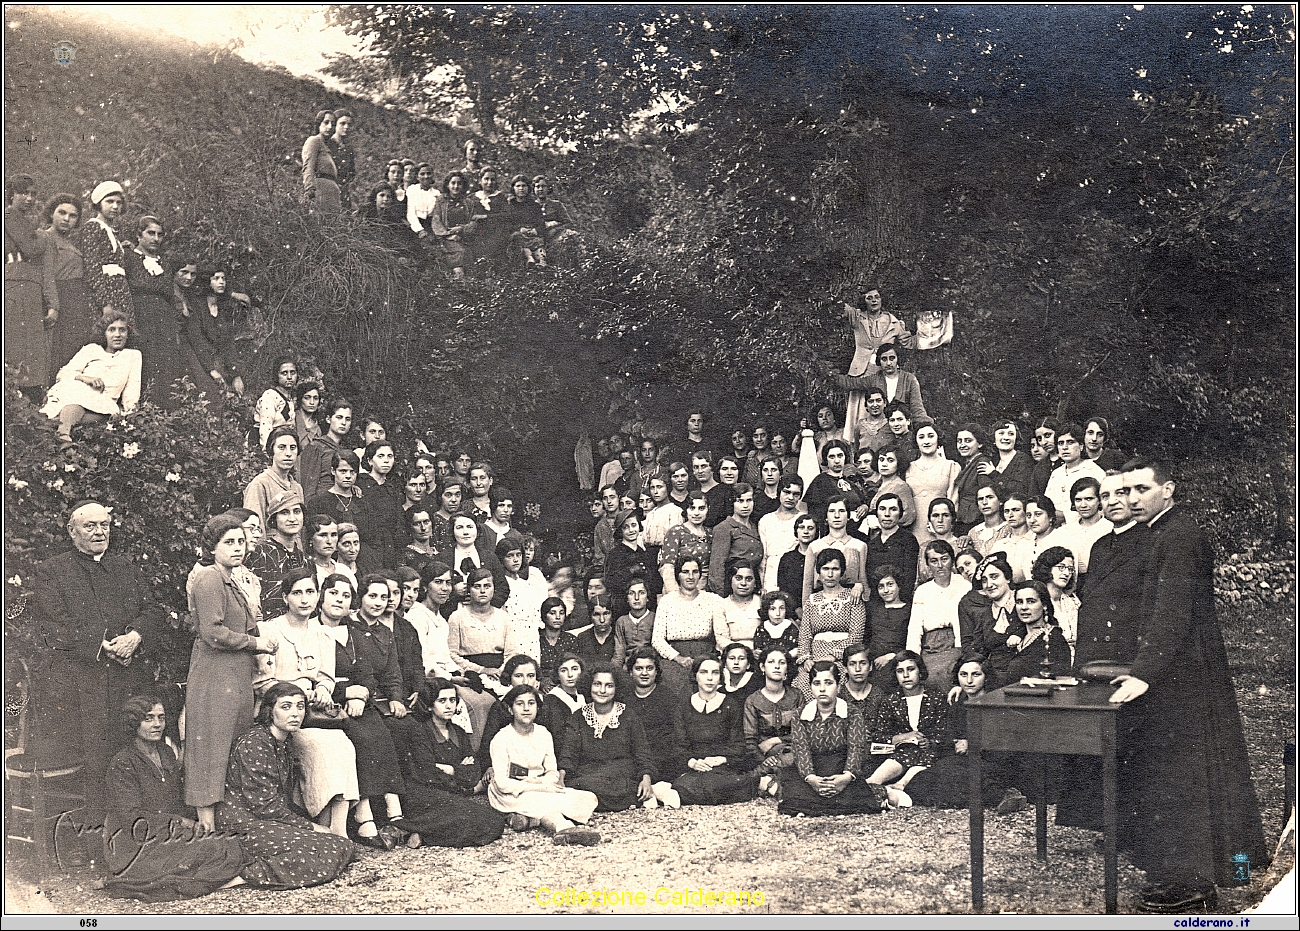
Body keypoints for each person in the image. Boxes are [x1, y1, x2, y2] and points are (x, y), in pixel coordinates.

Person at [1107, 459, 1268, 910]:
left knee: (1187, 777)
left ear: (1169, 489)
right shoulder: (1162, 532)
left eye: (1141, 489)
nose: (1131, 499)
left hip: (1186, 675)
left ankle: (1194, 884)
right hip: (1175, 671)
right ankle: (1181, 876)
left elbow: (1173, 613)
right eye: (1125, 492)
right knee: (1172, 778)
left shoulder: (1180, 535)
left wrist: (1144, 673)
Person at [31, 501, 163, 828]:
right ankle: (90, 837)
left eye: (104, 524)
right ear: (72, 531)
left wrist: (135, 636)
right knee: (93, 758)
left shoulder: (125, 569)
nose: (99, 531)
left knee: (134, 749)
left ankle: (138, 831)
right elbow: (52, 626)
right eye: (90, 526)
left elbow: (153, 612)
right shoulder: (52, 571)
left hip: (127, 679)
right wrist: (100, 645)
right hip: (79, 685)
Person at [102, 696, 246, 901]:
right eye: (148, 718)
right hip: (136, 842)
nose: (157, 724)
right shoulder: (123, 763)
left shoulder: (166, 752)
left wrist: (193, 821)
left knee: (227, 842)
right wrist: (180, 822)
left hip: (166, 832)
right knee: (214, 849)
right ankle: (196, 880)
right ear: (134, 722)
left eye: (161, 718)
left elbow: (176, 798)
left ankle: (199, 878)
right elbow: (130, 818)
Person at [185, 513, 277, 831]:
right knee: (212, 745)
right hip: (215, 675)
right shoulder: (210, 579)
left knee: (233, 743)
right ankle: (208, 827)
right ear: (212, 547)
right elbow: (213, 633)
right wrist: (257, 642)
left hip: (235, 675)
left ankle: (231, 823)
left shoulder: (231, 580)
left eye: (241, 541)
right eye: (229, 543)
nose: (237, 548)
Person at [216, 682, 355, 886]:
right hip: (241, 824)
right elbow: (264, 806)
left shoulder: (283, 741)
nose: (295, 714)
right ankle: (242, 877)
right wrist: (312, 827)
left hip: (264, 821)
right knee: (332, 847)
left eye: (300, 706)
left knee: (340, 846)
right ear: (270, 711)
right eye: (286, 706)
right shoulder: (255, 742)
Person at [256, 568, 359, 836]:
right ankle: (323, 826)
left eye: (310, 592)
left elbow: (327, 677)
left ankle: (338, 828)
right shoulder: (269, 631)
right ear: (285, 597)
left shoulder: (322, 634)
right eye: (297, 593)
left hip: (313, 713)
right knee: (320, 748)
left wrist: (323, 690)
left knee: (343, 745)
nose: (304, 599)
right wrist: (295, 693)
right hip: (282, 715)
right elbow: (262, 682)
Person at [393, 678, 508, 848]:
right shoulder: (420, 732)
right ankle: (414, 830)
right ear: (430, 705)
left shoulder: (459, 733)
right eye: (442, 701)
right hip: (424, 793)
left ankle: (424, 836)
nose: (449, 706)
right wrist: (460, 771)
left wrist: (452, 770)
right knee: (471, 819)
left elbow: (473, 771)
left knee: (494, 823)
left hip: (450, 792)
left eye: (452, 700)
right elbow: (426, 773)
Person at [779, 660, 897, 816]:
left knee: (858, 799)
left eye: (828, 683)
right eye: (816, 683)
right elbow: (801, 750)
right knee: (793, 799)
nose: (822, 689)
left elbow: (856, 748)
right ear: (810, 687)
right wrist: (812, 779)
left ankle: (881, 792)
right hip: (813, 769)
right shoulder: (800, 714)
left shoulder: (852, 713)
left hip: (841, 768)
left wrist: (846, 778)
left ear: (838, 686)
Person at [488, 684, 601, 844]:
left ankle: (529, 819)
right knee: (541, 801)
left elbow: (552, 772)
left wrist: (544, 783)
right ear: (510, 709)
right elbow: (502, 783)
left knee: (588, 798)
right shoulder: (501, 739)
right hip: (511, 792)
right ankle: (563, 828)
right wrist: (537, 787)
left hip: (541, 786)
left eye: (531, 703)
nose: (526, 708)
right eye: (520, 704)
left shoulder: (543, 734)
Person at [557, 662, 655, 812]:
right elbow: (568, 753)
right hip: (588, 775)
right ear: (589, 686)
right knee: (578, 787)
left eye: (609, 685)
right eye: (597, 684)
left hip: (620, 776)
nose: (602, 690)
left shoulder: (629, 716)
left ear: (617, 689)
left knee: (622, 788)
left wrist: (646, 779)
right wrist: (561, 778)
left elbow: (642, 752)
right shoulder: (577, 717)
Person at [665, 656, 758, 807]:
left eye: (715, 673)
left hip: (722, 768)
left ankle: (683, 795)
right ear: (695, 675)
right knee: (686, 783)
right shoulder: (683, 706)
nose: (709, 678)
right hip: (694, 768)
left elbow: (738, 745)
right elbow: (678, 744)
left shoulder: (731, 705)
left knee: (714, 783)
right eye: (703, 672)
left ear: (721, 676)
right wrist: (692, 762)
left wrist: (721, 759)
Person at [41, 309, 142, 442]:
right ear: (103, 333)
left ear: (128, 333)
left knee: (64, 413)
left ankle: (60, 430)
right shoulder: (91, 349)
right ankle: (63, 435)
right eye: (111, 330)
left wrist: (130, 415)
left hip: (102, 404)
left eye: (122, 330)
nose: (117, 335)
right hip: (75, 394)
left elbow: (132, 390)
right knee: (74, 403)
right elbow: (63, 374)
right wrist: (85, 378)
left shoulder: (132, 355)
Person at [840, 286, 914, 446]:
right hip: (860, 372)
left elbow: (908, 342)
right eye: (869, 298)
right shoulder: (857, 316)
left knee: (882, 410)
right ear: (864, 301)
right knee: (857, 414)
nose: (873, 300)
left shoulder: (894, 322)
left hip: (881, 375)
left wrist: (933, 338)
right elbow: (836, 305)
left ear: (882, 299)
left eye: (877, 297)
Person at [865, 650, 947, 793]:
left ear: (920, 671)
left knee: (928, 755)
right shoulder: (891, 701)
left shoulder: (936, 697)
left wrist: (929, 742)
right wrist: (901, 737)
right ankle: (872, 783)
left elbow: (943, 731)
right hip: (901, 753)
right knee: (902, 756)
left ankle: (901, 784)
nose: (906, 675)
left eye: (911, 669)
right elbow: (879, 735)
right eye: (900, 671)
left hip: (931, 753)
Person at [122, 215, 184, 406]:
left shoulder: (164, 263)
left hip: (164, 320)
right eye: (150, 233)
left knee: (166, 366)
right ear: (139, 235)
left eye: (159, 234)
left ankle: (164, 415)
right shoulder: (129, 257)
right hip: (141, 317)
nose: (156, 238)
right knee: (144, 363)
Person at [5, 175, 57, 390]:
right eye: (23, 193)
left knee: (30, 348)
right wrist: (42, 236)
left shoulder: (25, 222)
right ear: (11, 194)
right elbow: (31, 248)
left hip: (30, 286)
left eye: (33, 194)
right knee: (17, 345)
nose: (29, 198)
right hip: (15, 285)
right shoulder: (9, 216)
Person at [651, 557, 728, 696]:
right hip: (674, 657)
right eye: (685, 572)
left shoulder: (713, 600)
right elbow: (657, 639)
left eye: (695, 572)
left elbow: (721, 635)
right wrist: (678, 658)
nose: (691, 576)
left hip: (705, 654)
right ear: (678, 575)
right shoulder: (667, 601)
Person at [796, 549, 867, 696]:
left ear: (842, 572)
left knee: (836, 684)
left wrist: (832, 656)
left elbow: (856, 635)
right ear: (818, 572)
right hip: (815, 655)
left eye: (835, 569)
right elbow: (805, 634)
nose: (830, 574)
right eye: (825, 569)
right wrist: (807, 659)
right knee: (803, 684)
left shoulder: (852, 597)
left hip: (842, 657)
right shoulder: (811, 600)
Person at [37, 193, 93, 374]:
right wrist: (54, 306)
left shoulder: (72, 242)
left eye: (72, 215)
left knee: (75, 349)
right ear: (51, 213)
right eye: (62, 213)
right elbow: (47, 274)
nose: (66, 219)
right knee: (57, 350)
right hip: (60, 296)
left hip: (77, 299)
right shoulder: (45, 237)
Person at [907, 540, 972, 689]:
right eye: (934, 561)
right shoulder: (922, 591)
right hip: (930, 647)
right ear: (928, 565)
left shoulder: (964, 586)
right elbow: (915, 628)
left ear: (952, 561)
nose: (940, 565)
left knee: (949, 676)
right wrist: (912, 659)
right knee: (925, 678)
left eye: (944, 559)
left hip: (957, 644)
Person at [79, 181, 133, 356]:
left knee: (123, 339)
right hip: (107, 292)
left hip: (120, 290)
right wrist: (105, 303)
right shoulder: (93, 227)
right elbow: (93, 268)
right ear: (98, 204)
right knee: (106, 339)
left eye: (118, 202)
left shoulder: (111, 231)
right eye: (110, 202)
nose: (115, 206)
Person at [742, 647, 801, 795]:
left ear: (787, 667)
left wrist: (776, 739)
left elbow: (803, 731)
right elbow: (750, 740)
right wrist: (763, 761)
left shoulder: (796, 696)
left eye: (782, 662)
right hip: (766, 755)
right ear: (762, 667)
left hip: (795, 749)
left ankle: (765, 780)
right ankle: (771, 777)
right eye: (771, 662)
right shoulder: (753, 700)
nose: (777, 666)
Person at [834, 339, 928, 427]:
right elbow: (851, 383)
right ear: (879, 361)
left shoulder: (909, 379)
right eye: (884, 359)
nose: (888, 363)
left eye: (892, 358)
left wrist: (925, 426)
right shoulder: (874, 379)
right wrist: (829, 374)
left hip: (902, 427)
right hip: (881, 428)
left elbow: (917, 408)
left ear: (897, 359)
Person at [186, 265, 248, 395]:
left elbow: (228, 343)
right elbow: (197, 341)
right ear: (207, 281)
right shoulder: (196, 306)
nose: (221, 282)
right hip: (201, 361)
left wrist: (236, 374)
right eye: (216, 278)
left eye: (223, 279)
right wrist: (212, 370)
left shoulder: (224, 308)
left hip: (221, 361)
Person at [801, 496, 868, 608]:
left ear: (848, 516)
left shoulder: (859, 546)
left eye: (841, 511)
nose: (837, 516)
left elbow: (863, 581)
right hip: (821, 604)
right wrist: (806, 611)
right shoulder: (815, 546)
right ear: (826, 517)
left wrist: (860, 586)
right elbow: (808, 584)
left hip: (851, 603)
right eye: (832, 511)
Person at [1004, 580, 1072, 681]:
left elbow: (1060, 680)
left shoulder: (1053, 640)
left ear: (1044, 605)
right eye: (1019, 602)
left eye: (1031, 601)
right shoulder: (1018, 636)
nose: (1024, 607)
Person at [906, 422, 960, 544]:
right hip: (914, 528)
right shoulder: (908, 468)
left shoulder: (950, 466)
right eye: (921, 437)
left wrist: (943, 527)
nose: (926, 441)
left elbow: (954, 501)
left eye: (930, 436)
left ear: (938, 438)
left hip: (940, 528)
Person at [1050, 476, 1113, 579]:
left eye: (1089, 499)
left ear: (1099, 500)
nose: (1083, 505)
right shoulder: (1064, 532)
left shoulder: (1109, 528)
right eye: (1078, 500)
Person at [355, 441, 404, 572]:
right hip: (366, 544)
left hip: (388, 545)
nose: (386, 461)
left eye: (390, 456)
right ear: (370, 461)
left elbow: (398, 520)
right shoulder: (360, 483)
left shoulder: (392, 488)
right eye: (381, 456)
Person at [244, 424, 305, 528]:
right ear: (271, 451)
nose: (288, 453)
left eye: (293, 448)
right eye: (282, 447)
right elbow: (254, 529)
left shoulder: (297, 487)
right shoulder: (260, 484)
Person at [1044, 423, 1106, 523]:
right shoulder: (1056, 473)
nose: (1064, 447)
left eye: (1070, 442)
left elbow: (1102, 508)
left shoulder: (1094, 471)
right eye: (1061, 443)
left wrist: (1065, 516)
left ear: (1081, 446)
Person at [707, 485, 762, 597]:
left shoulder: (755, 526)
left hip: (751, 585)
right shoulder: (725, 528)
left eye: (749, 500)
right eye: (740, 501)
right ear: (732, 503)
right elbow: (717, 566)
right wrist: (720, 596)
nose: (745, 505)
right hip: (730, 588)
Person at [605, 510, 660, 616]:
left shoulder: (643, 553)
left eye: (633, 525)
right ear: (620, 531)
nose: (631, 530)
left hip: (645, 608)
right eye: (625, 527)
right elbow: (610, 581)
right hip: (623, 609)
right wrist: (630, 571)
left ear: (639, 526)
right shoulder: (615, 554)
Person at [758, 473, 806, 593]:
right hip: (771, 575)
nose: (790, 497)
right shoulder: (766, 520)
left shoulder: (804, 520)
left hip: (795, 575)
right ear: (779, 492)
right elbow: (763, 557)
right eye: (787, 492)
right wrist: (762, 584)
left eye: (796, 494)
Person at [429, 170, 480, 279]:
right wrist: (448, 235)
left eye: (459, 183)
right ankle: (459, 280)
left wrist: (462, 229)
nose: (456, 186)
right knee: (459, 252)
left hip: (465, 237)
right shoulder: (441, 200)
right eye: (453, 183)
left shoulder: (468, 202)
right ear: (448, 185)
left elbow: (474, 222)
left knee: (471, 253)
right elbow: (436, 220)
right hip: (446, 238)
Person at [658, 493, 712, 595]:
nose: (696, 513)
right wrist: (676, 596)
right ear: (686, 510)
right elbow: (667, 568)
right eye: (692, 508)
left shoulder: (710, 533)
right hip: (678, 589)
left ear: (708, 509)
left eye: (701, 508)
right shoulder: (676, 532)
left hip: (703, 590)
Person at [299, 398, 353, 502]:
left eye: (347, 419)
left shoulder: (346, 449)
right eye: (339, 417)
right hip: (322, 505)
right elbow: (308, 488)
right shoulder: (316, 447)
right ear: (328, 419)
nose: (343, 422)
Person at [1031, 546, 1080, 654]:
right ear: (1047, 568)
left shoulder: (1073, 601)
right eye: (1061, 567)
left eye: (1070, 569)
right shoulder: (1036, 600)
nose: (1067, 573)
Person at [801, 440, 855, 531]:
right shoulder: (820, 481)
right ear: (826, 459)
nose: (837, 461)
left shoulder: (849, 482)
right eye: (832, 457)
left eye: (840, 456)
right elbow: (816, 515)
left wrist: (864, 507)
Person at [952, 423, 995, 534]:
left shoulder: (981, 463)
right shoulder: (968, 464)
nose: (962, 445)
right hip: (965, 519)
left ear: (980, 443)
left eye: (968, 441)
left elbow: (986, 494)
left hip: (973, 521)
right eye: (959, 441)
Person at [499, 174, 547, 266]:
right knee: (519, 239)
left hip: (533, 234)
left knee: (538, 244)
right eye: (518, 186)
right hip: (517, 235)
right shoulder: (509, 206)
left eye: (524, 186)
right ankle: (529, 259)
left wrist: (535, 231)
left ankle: (541, 261)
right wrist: (520, 229)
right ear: (513, 188)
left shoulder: (534, 205)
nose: (521, 188)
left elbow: (541, 223)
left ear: (528, 188)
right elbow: (506, 223)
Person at [715, 559, 762, 653]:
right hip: (730, 654)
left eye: (749, 579)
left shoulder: (761, 603)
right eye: (738, 578)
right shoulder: (722, 605)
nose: (743, 583)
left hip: (758, 653)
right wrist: (744, 652)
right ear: (730, 579)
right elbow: (722, 639)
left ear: (755, 582)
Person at [777, 515, 818, 618]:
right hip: (792, 613)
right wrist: (796, 609)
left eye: (810, 528)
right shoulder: (787, 559)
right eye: (801, 527)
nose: (806, 531)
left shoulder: (821, 556)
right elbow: (783, 589)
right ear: (796, 531)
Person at [302, 109, 340, 214]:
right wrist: (310, 191)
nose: (330, 127)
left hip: (331, 195)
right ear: (319, 124)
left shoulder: (331, 146)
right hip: (320, 192)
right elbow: (308, 167)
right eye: (326, 122)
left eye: (333, 124)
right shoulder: (314, 141)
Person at [752, 590, 801, 671]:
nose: (778, 613)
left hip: (787, 667)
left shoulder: (791, 627)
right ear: (766, 610)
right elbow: (758, 650)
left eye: (782, 608)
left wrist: (787, 656)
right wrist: (757, 653)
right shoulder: (761, 628)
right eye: (772, 609)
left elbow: (797, 649)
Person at [870, 445, 917, 530]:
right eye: (881, 460)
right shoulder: (880, 485)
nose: (884, 464)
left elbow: (909, 515)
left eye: (890, 460)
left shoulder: (900, 486)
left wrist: (881, 524)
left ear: (898, 463)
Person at [255, 356, 298, 449]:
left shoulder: (290, 398)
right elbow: (265, 428)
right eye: (284, 373)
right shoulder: (270, 396)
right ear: (276, 375)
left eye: (292, 372)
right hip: (263, 445)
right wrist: (268, 453)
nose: (289, 377)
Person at [612, 579, 656, 668]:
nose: (636, 597)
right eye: (631, 593)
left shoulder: (655, 618)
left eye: (641, 593)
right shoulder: (622, 621)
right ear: (627, 599)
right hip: (628, 667)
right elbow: (619, 653)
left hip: (650, 665)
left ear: (647, 597)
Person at [989, 419, 1032, 498]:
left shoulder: (1023, 459)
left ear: (1016, 438)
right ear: (993, 438)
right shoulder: (993, 462)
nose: (1006, 437)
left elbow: (1018, 490)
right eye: (1001, 433)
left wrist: (993, 474)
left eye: (1011, 434)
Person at [575, 595, 617, 663]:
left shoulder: (618, 636)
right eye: (596, 614)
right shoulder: (583, 638)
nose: (602, 620)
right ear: (590, 616)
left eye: (606, 614)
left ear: (612, 615)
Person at [328, 108, 356, 204]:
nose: (346, 127)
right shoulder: (328, 145)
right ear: (335, 124)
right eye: (342, 123)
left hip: (344, 193)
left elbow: (352, 172)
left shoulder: (348, 148)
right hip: (328, 191)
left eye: (349, 124)